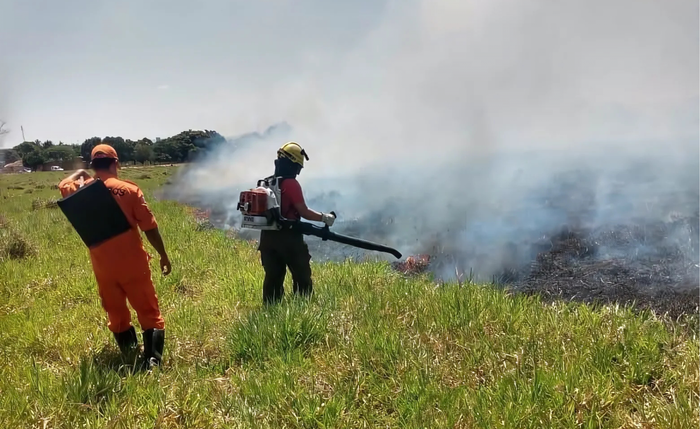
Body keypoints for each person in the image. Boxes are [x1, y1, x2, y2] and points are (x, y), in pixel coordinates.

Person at [58, 144, 171, 369]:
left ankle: (128, 355)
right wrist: (163, 255)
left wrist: (82, 174)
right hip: (133, 264)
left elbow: (62, 184)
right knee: (148, 310)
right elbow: (149, 227)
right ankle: (152, 361)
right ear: (116, 163)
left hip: (103, 268)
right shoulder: (129, 190)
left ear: (93, 165)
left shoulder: (81, 189)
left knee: (116, 312)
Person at [258, 142, 336, 304]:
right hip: (289, 237)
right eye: (298, 167)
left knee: (273, 277)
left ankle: (270, 310)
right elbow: (304, 212)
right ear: (292, 164)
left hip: (267, 238)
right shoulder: (291, 184)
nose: (298, 172)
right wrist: (325, 217)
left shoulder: (267, 183)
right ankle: (303, 307)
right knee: (302, 275)